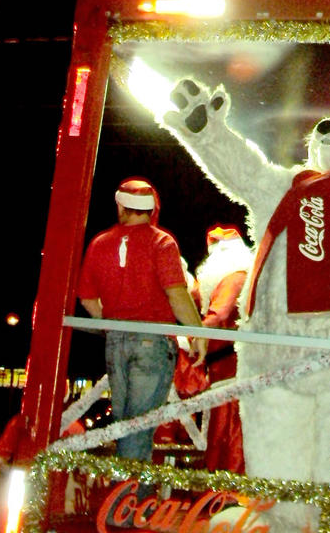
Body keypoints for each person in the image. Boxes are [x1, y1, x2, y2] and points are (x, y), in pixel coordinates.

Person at [77, 177, 206, 461]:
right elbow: (177, 294)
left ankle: (126, 497)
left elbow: (87, 298)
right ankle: (132, 500)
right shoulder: (162, 242)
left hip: (116, 343)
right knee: (138, 431)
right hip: (152, 342)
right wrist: (199, 334)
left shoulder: (100, 243)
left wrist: (113, 321)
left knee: (126, 427)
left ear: (122, 206)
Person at [193, 225, 252, 473]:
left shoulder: (232, 278)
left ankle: (224, 490)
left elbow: (219, 314)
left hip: (229, 368)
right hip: (225, 365)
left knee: (227, 431)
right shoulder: (234, 277)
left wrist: (199, 333)